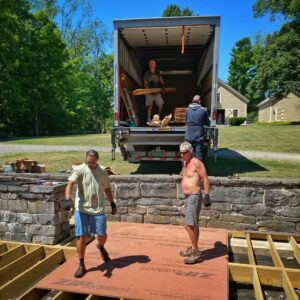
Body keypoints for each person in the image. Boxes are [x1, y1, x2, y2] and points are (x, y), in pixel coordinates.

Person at [64, 150, 117, 278]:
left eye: (93, 162)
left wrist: (112, 203)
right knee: (81, 236)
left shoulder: (102, 171)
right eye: (88, 162)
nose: (90, 164)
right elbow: (70, 183)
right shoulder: (80, 170)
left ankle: (100, 246)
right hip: (81, 209)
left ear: (97, 160)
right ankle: (81, 265)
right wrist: (67, 199)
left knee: (102, 234)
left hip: (97, 209)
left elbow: (107, 188)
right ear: (86, 160)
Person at [179, 141, 211, 264]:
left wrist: (207, 195)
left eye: (184, 153)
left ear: (190, 152)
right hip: (188, 197)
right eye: (181, 153)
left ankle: (196, 252)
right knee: (194, 225)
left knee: (189, 225)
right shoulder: (185, 162)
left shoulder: (197, 163)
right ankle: (194, 248)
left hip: (194, 196)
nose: (182, 155)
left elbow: (206, 178)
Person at [185, 95, 209, 161]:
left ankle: (187, 168)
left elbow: (186, 121)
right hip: (199, 134)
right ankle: (198, 168)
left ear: (192, 101)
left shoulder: (187, 110)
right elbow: (207, 122)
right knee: (199, 152)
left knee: (187, 152)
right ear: (200, 101)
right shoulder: (203, 110)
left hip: (189, 133)